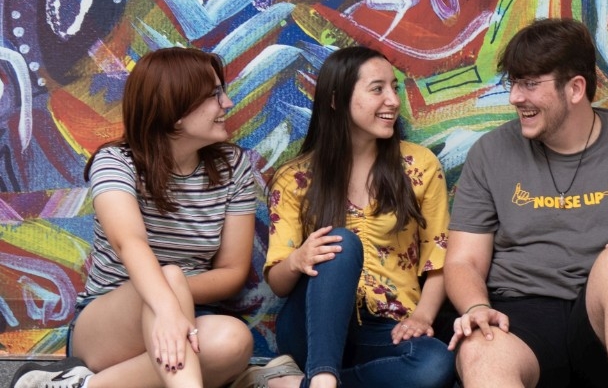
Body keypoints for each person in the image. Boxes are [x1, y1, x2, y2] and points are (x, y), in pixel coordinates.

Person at [445, 18, 608, 387]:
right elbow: (463, 260)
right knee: (479, 351)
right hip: (521, 314)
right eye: (514, 83)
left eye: (530, 84)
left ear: (575, 88)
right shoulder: (491, 152)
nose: (515, 97)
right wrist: (476, 307)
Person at [12, 48, 257, 388]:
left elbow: (231, 272)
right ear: (176, 112)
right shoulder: (115, 162)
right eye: (214, 95)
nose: (227, 103)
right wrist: (168, 302)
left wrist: (175, 298)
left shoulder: (234, 167)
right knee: (168, 275)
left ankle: (77, 386)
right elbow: (130, 242)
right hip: (108, 325)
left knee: (233, 341)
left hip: (188, 317)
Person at [258, 47, 454, 388]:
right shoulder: (294, 177)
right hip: (312, 327)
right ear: (336, 100)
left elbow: (438, 259)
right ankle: (320, 377)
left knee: (435, 364)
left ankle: (295, 385)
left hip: (386, 329)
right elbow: (277, 279)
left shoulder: (419, 165)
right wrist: (298, 259)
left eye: (394, 88)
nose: (393, 100)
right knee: (341, 244)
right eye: (377, 89)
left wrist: (422, 316)